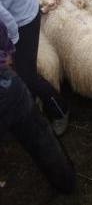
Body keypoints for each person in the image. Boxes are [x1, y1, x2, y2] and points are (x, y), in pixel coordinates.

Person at [0, 19, 76, 194]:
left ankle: (65, 182)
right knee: (39, 136)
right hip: (8, 87)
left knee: (38, 136)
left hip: (7, 89)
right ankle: (65, 182)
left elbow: (7, 29)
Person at [0, 0, 69, 135]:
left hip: (22, 15)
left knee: (26, 73)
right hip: (10, 4)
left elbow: (8, 20)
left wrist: (11, 48)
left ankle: (60, 110)